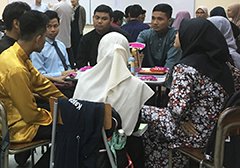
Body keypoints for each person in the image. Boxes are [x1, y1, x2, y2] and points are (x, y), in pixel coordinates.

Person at [141, 18, 235, 168]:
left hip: (194, 133)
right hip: (218, 134)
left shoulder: (185, 68)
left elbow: (176, 110)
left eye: (179, 33)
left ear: (191, 36)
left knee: (141, 112)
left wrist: (182, 119)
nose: (176, 35)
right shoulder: (226, 66)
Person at [73, 32, 154, 167]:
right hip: (118, 152)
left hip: (82, 149)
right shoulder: (136, 85)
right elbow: (131, 128)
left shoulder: (84, 78)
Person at [0, 10, 65, 166]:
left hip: (19, 116)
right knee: (71, 128)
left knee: (68, 118)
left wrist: (65, 102)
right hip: (19, 127)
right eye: (44, 36)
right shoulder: (16, 68)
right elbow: (30, 115)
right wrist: (56, 116)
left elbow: (41, 83)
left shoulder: (16, 53)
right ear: (38, 39)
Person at [31, 10, 76, 98]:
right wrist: (61, 74)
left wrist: (72, 73)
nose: (53, 30)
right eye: (49, 26)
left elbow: (67, 66)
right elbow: (39, 75)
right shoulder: (38, 48)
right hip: (51, 88)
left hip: (68, 85)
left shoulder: (61, 45)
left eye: (55, 26)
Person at [137, 4, 181, 69]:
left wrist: (163, 78)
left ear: (169, 21)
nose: (155, 22)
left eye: (160, 19)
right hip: (146, 75)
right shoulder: (144, 34)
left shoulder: (175, 35)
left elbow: (172, 61)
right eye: (153, 18)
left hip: (168, 74)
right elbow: (135, 53)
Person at [52, 0, 73, 66]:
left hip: (58, 36)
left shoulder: (57, 6)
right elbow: (72, 19)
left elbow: (50, 17)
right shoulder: (70, 6)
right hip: (67, 35)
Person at [70, 0, 86, 66]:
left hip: (78, 31)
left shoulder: (81, 8)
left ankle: (78, 63)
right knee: (72, 47)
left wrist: (81, 30)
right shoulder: (70, 9)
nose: (72, 1)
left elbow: (83, 20)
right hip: (71, 31)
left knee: (78, 47)